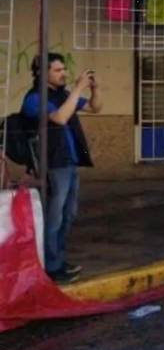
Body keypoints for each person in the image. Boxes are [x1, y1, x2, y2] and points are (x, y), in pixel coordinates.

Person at [22, 53, 102, 283]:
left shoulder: (63, 95)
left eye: (63, 69)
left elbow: (95, 108)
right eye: (57, 70)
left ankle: (58, 259)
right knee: (54, 218)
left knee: (68, 214)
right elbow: (59, 118)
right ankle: (51, 266)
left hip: (70, 161)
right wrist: (77, 89)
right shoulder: (34, 98)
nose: (63, 74)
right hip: (53, 164)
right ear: (42, 73)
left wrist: (95, 89)